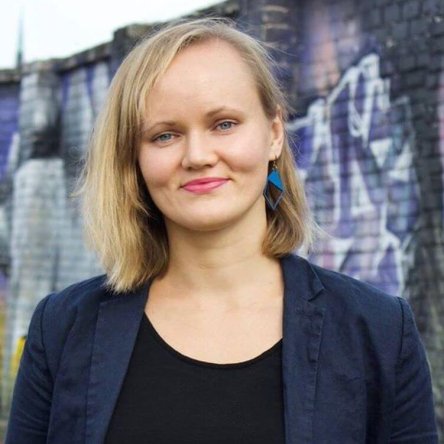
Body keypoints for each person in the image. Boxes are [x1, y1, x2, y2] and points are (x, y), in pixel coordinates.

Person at [5, 18, 438, 444]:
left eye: (224, 124)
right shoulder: (62, 328)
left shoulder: (380, 331)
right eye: (165, 135)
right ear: (133, 158)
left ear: (273, 135)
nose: (197, 155)